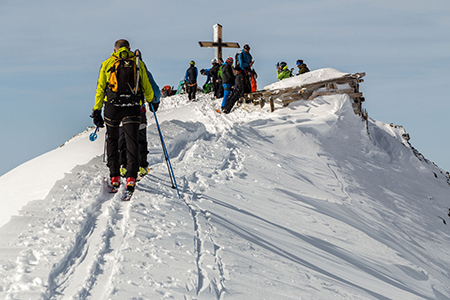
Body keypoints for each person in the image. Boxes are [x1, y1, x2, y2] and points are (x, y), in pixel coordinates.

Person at [91, 39, 155, 193]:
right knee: (132, 141)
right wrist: (152, 100)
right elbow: (146, 84)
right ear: (129, 48)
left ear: (115, 49)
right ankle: (131, 178)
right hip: (132, 107)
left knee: (112, 139)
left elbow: (100, 88)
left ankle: (114, 176)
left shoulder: (107, 63)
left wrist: (96, 110)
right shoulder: (137, 62)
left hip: (112, 107)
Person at [119, 52, 161, 180]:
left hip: (120, 111)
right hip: (138, 110)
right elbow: (155, 92)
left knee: (123, 138)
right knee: (140, 138)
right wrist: (154, 103)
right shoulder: (144, 72)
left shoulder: (117, 69)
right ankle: (142, 166)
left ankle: (123, 165)